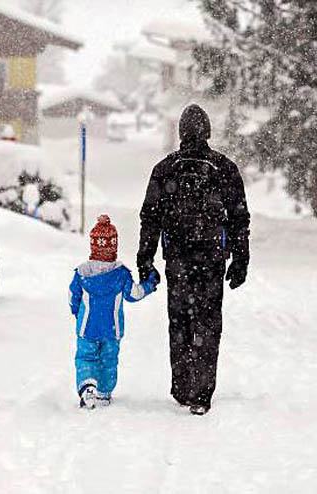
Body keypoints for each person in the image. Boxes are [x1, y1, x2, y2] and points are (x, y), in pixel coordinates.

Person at [137, 104, 251, 416]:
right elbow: (240, 218)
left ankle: (182, 387)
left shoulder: (165, 169)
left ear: (181, 134)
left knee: (181, 321)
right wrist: (241, 259)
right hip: (211, 258)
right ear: (208, 132)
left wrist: (145, 260)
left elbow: (150, 218)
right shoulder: (224, 168)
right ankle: (202, 393)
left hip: (178, 258)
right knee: (208, 322)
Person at [69, 214, 158, 409]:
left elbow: (73, 297)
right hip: (112, 328)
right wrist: (150, 284)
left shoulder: (82, 274)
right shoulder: (121, 274)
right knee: (109, 360)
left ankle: (87, 387)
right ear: (113, 246)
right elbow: (134, 294)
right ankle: (104, 392)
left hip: (87, 328)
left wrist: (77, 313)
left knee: (86, 357)